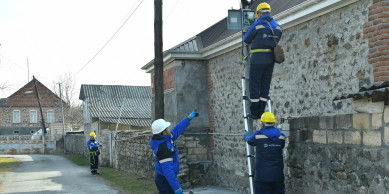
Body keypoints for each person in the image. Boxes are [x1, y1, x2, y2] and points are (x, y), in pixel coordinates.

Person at [243, 2, 283, 120]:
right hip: (271, 59)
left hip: (257, 59)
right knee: (265, 85)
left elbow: (246, 39)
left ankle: (254, 112)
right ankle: (261, 112)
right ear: (269, 12)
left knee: (255, 85)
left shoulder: (257, 25)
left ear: (259, 13)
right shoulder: (278, 27)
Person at [150, 110, 198, 194]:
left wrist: (188, 118)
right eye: (167, 128)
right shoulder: (163, 148)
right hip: (165, 180)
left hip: (166, 179)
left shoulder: (166, 138)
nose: (169, 128)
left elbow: (176, 130)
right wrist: (177, 188)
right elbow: (168, 172)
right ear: (164, 132)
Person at [245, 112, 286, 194]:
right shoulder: (282, 137)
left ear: (262, 123)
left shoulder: (258, 136)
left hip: (262, 178)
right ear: (274, 123)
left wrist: (245, 135)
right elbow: (281, 146)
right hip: (278, 177)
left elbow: (250, 140)